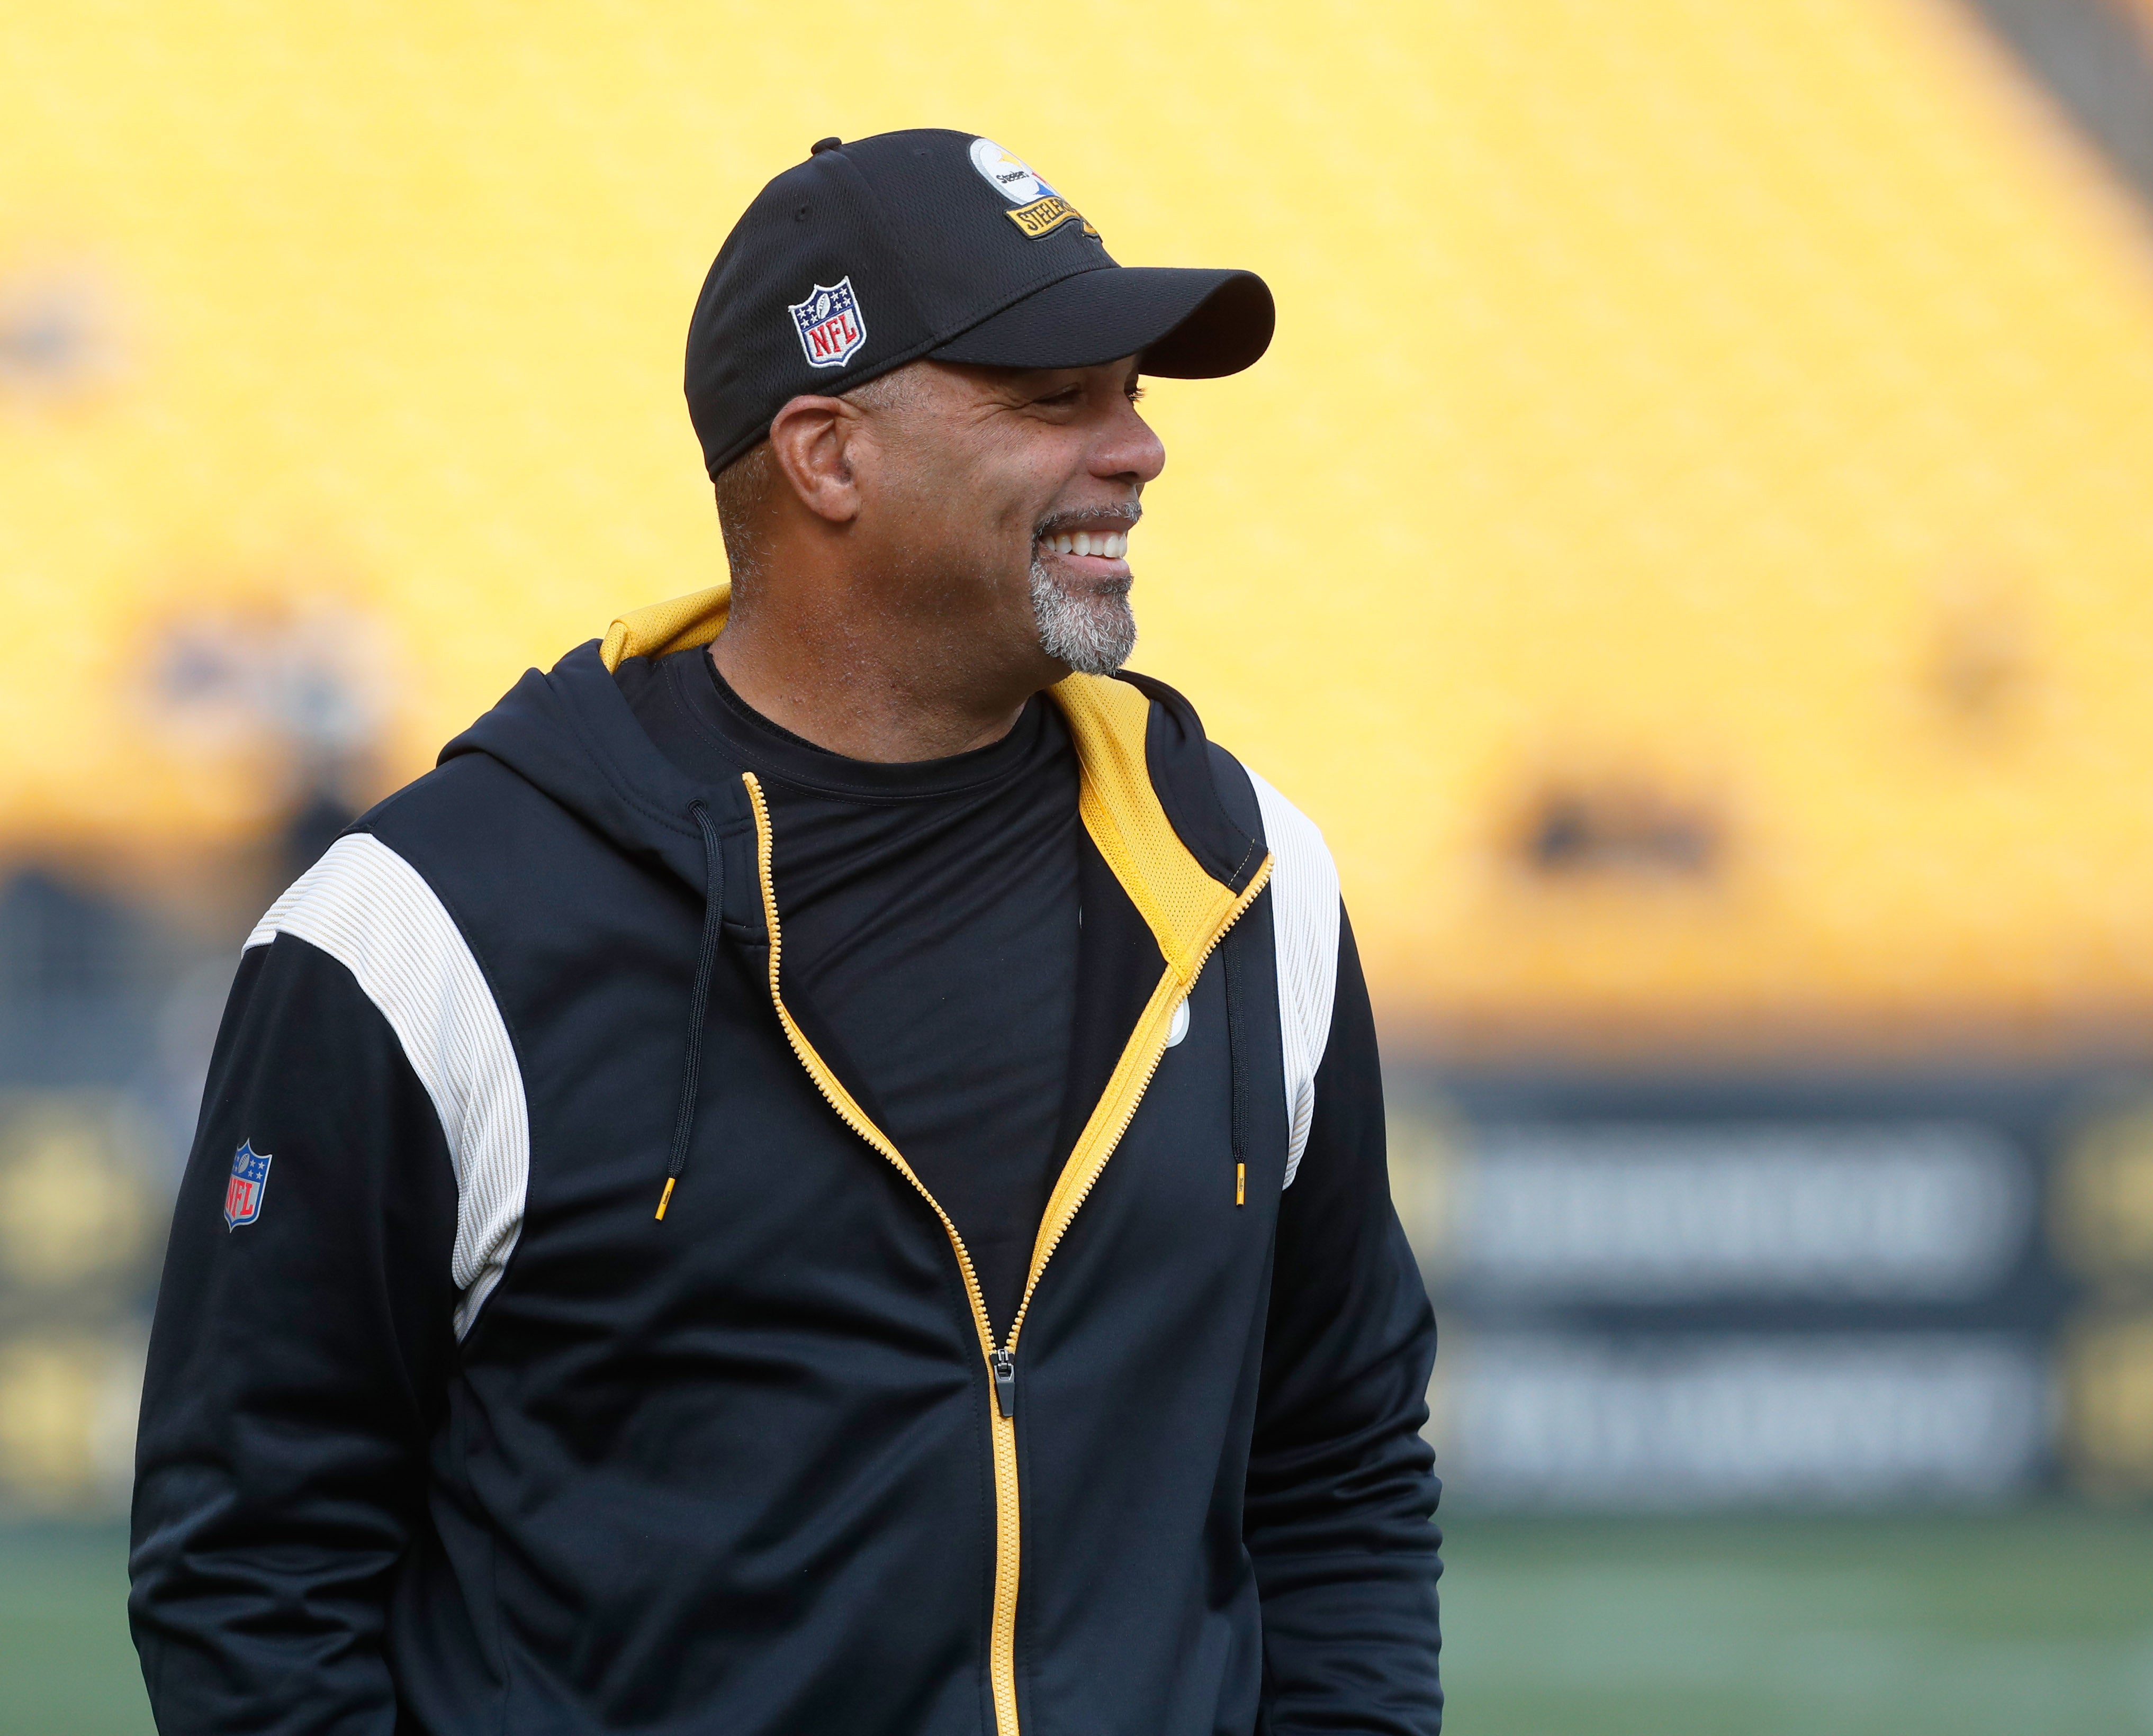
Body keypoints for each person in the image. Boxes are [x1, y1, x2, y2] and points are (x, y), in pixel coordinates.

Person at [129, 129, 1442, 1735]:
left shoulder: (1248, 877)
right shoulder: (422, 932)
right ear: (827, 455)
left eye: (1133, 393)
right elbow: (253, 1577)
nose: (1139, 450)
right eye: (1057, 401)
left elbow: (1339, 1464)